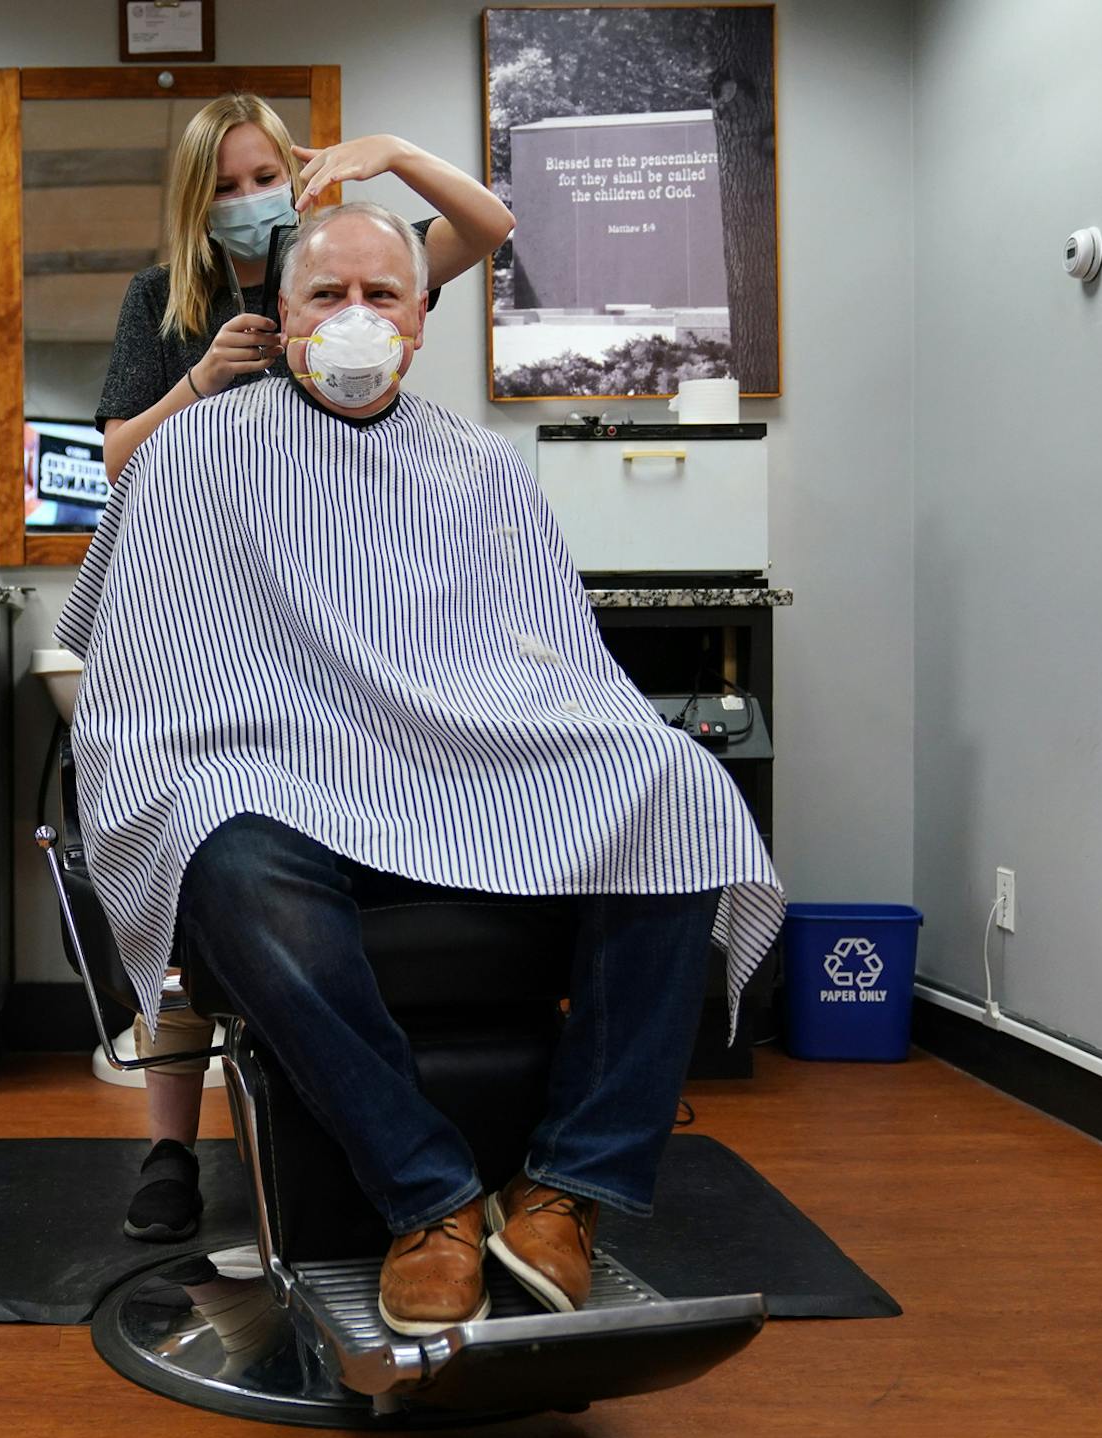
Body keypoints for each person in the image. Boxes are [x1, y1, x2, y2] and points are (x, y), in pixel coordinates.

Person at [57, 202, 784, 1333]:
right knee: (213, 834)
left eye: (380, 296)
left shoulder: (481, 467)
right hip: (283, 780)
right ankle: (430, 1195)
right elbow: (136, 656)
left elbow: (544, 655)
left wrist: (578, 735)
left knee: (676, 787)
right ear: (280, 316)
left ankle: (566, 1189)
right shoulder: (192, 455)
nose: (354, 318)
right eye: (326, 297)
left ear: (423, 316)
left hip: (468, 769)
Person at [90, 92, 515, 1245]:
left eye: (260, 176)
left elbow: (488, 227)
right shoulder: (166, 300)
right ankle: (173, 1146)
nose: (245, 202)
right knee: (194, 847)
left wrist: (395, 156)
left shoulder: (354, 265)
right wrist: (205, 382)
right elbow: (118, 458)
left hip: (352, 625)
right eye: (221, 187)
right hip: (223, 626)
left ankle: (438, 1143)